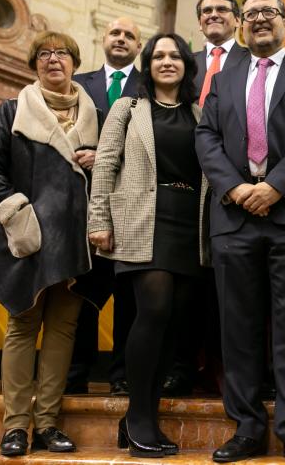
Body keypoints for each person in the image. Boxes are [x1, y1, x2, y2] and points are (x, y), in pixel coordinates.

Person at [195, 0, 285, 465]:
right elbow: (206, 137)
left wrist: (274, 186)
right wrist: (236, 190)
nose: (260, 19)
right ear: (240, 24)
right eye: (251, 13)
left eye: (269, 12)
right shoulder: (224, 77)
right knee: (238, 328)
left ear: (284, 21)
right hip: (234, 218)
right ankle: (248, 428)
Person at [0, 31, 100, 456]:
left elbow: (118, 173)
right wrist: (14, 211)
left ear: (74, 62)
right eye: (43, 54)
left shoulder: (97, 115)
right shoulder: (13, 110)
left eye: (60, 53)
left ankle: (46, 424)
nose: (52, 60)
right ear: (34, 65)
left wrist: (100, 161)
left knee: (63, 331)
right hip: (28, 237)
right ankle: (15, 428)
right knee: (23, 326)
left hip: (76, 241)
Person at [88, 33, 203, 458]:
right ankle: (138, 418)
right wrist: (98, 219)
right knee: (152, 312)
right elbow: (105, 162)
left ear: (186, 66)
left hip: (190, 222)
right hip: (141, 219)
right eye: (159, 56)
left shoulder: (198, 111)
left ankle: (142, 417)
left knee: (174, 322)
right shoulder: (128, 107)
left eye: (175, 56)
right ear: (148, 63)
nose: (167, 62)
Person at [161, 0, 249, 399]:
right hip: (186, 189)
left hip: (240, 188)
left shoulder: (254, 61)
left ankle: (230, 371)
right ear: (198, 22)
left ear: (238, 19)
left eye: (222, 10)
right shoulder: (183, 65)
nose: (214, 15)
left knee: (233, 289)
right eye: (206, 11)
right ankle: (182, 366)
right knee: (187, 287)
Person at [67, 16, 143, 397]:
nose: (121, 39)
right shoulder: (79, 85)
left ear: (139, 47)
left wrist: (107, 157)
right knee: (82, 298)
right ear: (103, 38)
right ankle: (75, 373)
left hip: (133, 210)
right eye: (116, 32)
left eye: (130, 35)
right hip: (85, 211)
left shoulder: (150, 87)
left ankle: (121, 376)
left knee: (129, 300)